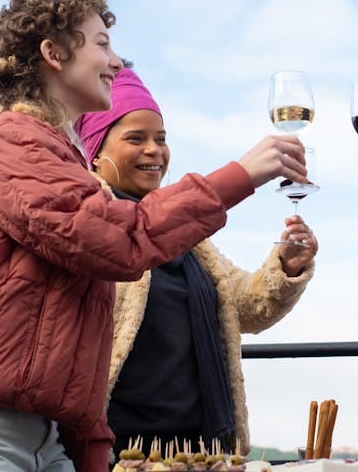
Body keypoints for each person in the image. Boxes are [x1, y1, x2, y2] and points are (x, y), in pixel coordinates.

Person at [0, 0, 307, 472]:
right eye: (102, 43)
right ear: (53, 54)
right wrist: (241, 174)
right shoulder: (12, 140)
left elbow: (75, 334)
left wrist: (92, 444)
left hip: (40, 432)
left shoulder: (55, 157)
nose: (116, 60)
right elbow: (118, 239)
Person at [74, 65, 317, 461]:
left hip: (197, 448)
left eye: (161, 139)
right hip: (117, 448)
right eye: (136, 138)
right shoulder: (85, 221)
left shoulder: (186, 232)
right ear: (95, 154)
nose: (154, 150)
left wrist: (286, 267)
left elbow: (243, 306)